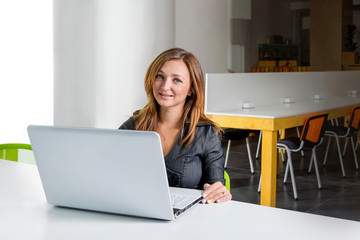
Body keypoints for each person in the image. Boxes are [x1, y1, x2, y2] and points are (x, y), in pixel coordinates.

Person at [119, 48, 232, 204]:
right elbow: (109, 171)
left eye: (176, 80)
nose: (165, 86)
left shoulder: (206, 134)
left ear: (191, 89)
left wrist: (219, 193)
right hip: (137, 213)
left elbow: (216, 187)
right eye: (160, 76)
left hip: (188, 221)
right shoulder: (133, 125)